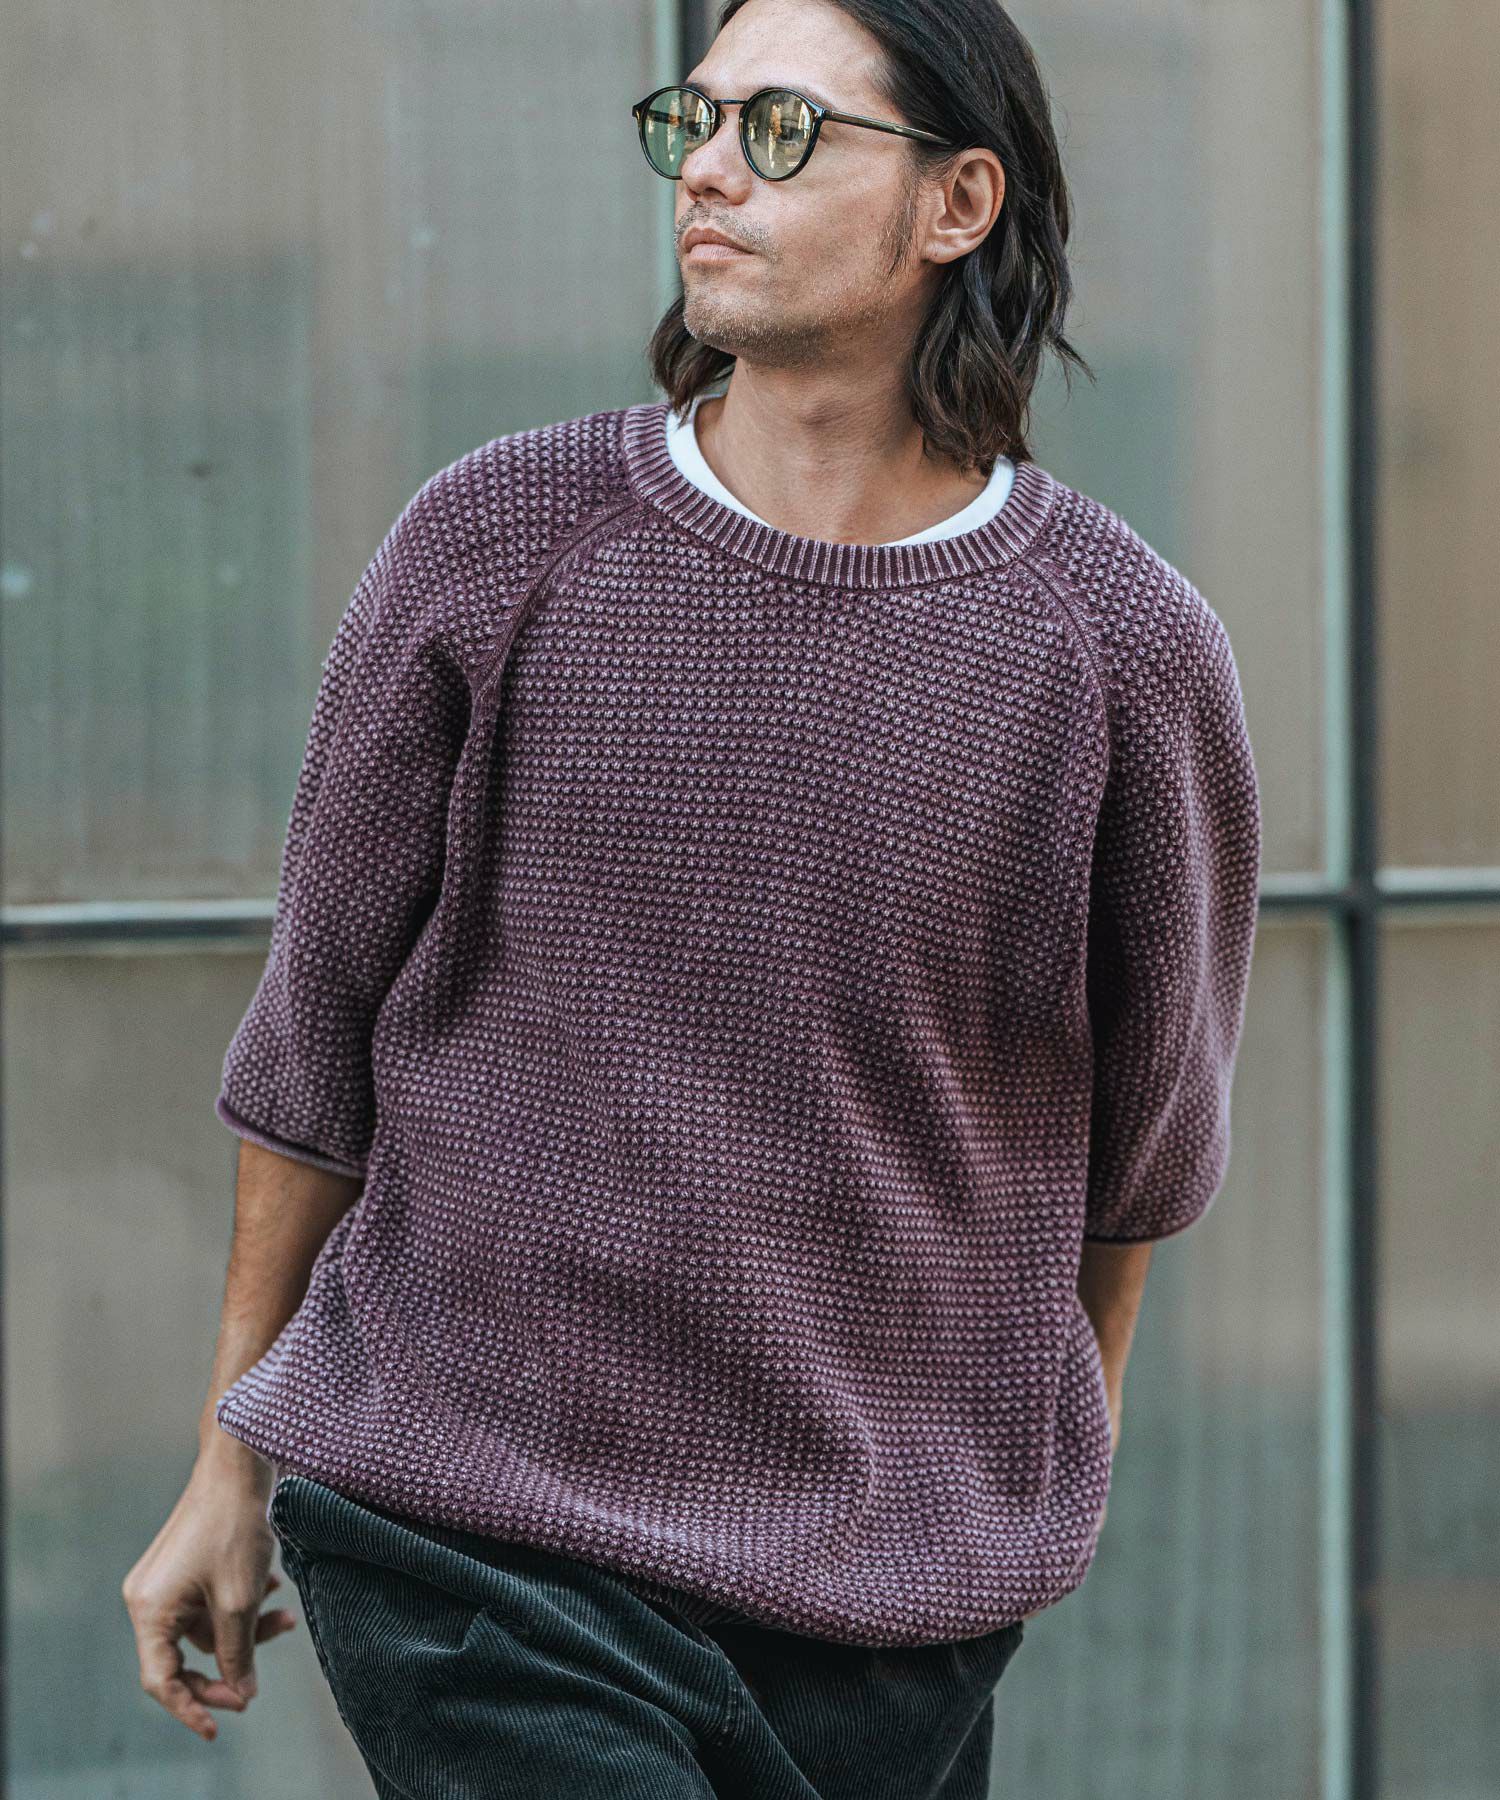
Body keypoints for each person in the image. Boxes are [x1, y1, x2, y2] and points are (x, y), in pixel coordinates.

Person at [122, 0, 1262, 1793]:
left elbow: (1139, 1154)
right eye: (695, 121)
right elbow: (312, 1048)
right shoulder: (492, 541)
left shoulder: (1124, 652)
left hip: (887, 1599)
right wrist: (229, 1456)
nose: (710, 173)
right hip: (474, 1528)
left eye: (784, 130)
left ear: (958, 203)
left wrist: (1023, 1484)